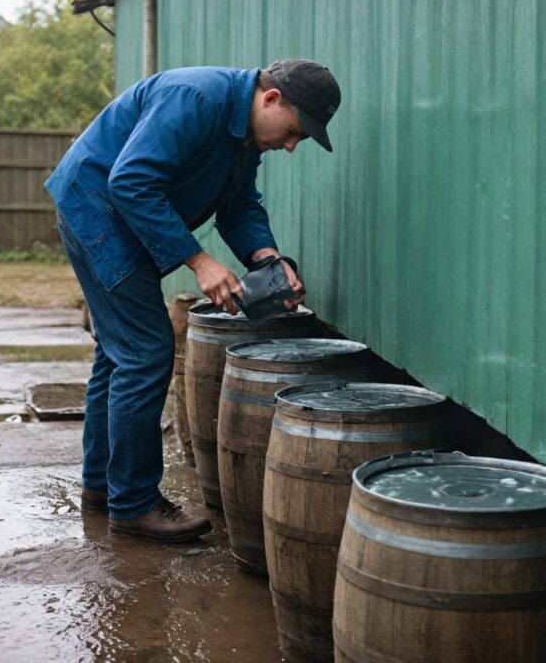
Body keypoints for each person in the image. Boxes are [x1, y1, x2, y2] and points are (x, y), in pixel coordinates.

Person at [45, 59, 341, 542]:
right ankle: (135, 505)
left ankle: (103, 487)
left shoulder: (243, 133)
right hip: (97, 211)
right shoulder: (197, 98)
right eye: (294, 131)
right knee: (146, 353)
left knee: (118, 355)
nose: (290, 145)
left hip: (113, 216)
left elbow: (240, 204)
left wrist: (268, 260)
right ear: (271, 99)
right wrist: (201, 262)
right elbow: (131, 181)